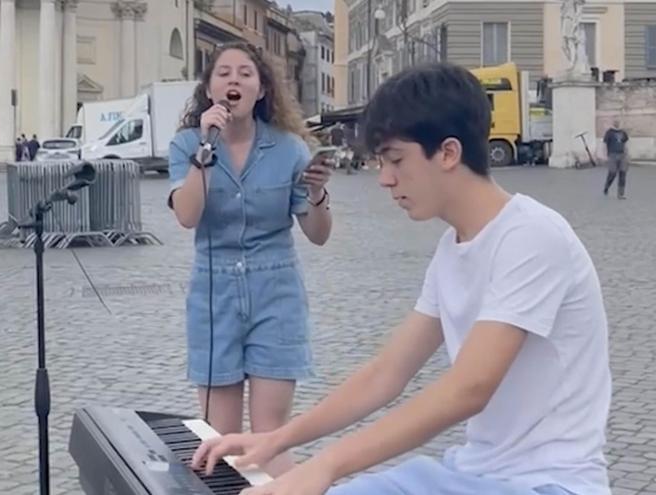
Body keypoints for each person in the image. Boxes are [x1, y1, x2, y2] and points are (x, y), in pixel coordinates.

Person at [191, 63, 612, 495]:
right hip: (468, 473)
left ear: (448, 153)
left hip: (551, 484)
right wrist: (276, 440)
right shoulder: (454, 247)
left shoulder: (532, 236)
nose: (385, 179)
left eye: (395, 160)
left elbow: (469, 388)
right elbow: (385, 374)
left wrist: (325, 466)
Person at [168, 41, 334, 476]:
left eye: (245, 73)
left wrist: (316, 193)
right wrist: (206, 149)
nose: (234, 81)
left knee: (269, 435)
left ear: (262, 90)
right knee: (215, 438)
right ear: (209, 88)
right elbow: (187, 216)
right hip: (213, 294)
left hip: (275, 292)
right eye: (223, 73)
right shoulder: (188, 144)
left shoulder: (290, 149)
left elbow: (317, 235)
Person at [602, 118, 629, 199]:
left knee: (623, 173)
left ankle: (621, 194)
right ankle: (606, 186)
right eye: (615, 122)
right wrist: (604, 155)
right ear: (613, 123)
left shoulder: (623, 132)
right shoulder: (609, 132)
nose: (617, 123)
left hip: (622, 155)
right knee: (612, 173)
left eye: (618, 121)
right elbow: (604, 144)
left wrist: (627, 154)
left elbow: (626, 143)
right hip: (612, 155)